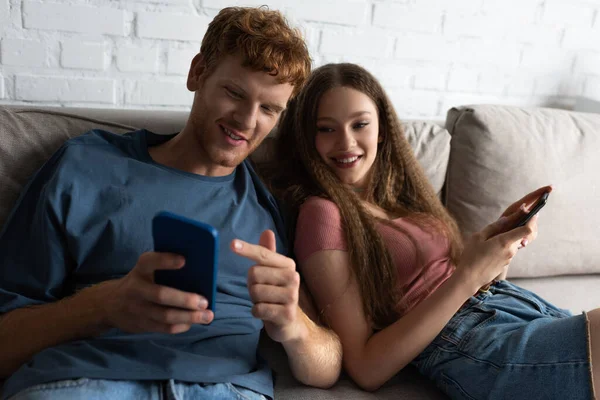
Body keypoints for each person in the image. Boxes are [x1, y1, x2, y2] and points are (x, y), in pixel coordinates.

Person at [0, 7, 342, 400]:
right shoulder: (85, 166)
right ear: (198, 72)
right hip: (85, 382)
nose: (248, 121)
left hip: (223, 390)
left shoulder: (270, 205)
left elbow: (327, 366)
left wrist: (295, 325)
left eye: (269, 109)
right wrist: (101, 306)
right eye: (234, 93)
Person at [263, 62, 598, 400]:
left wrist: (495, 251)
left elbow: (460, 280)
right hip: (471, 339)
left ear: (382, 128)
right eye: (326, 129)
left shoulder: (399, 199)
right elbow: (365, 367)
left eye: (360, 124)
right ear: (308, 138)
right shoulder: (322, 214)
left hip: (517, 308)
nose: (346, 142)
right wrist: (468, 276)